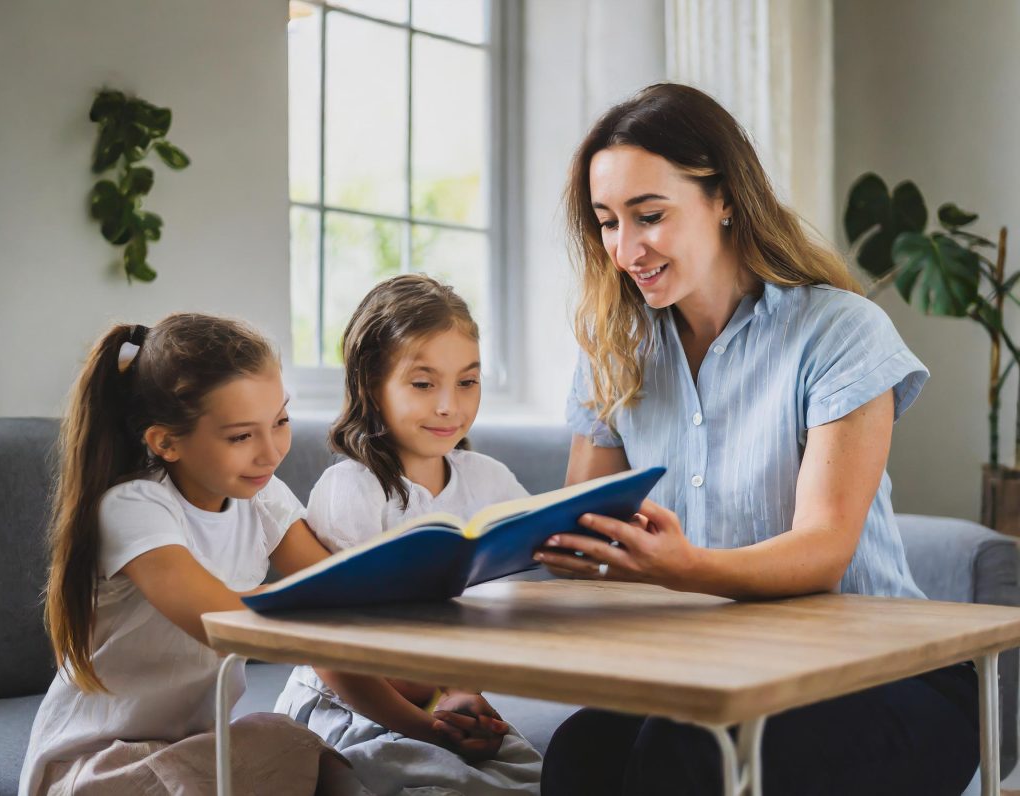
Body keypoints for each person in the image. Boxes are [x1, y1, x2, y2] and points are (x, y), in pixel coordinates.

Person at [535, 83, 979, 796]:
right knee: (580, 755)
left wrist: (681, 565)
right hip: (723, 672)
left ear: (725, 199)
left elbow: (825, 551)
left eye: (649, 216)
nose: (625, 249)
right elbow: (583, 525)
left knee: (684, 756)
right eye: (607, 222)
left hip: (891, 677)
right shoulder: (614, 350)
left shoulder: (839, 332)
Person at [20, 313, 366, 796]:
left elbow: (339, 590)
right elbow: (218, 619)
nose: (271, 453)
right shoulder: (133, 507)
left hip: (190, 746)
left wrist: (426, 710)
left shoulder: (263, 497)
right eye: (242, 436)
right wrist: (336, 595)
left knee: (300, 746)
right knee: (281, 748)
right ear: (166, 442)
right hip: (94, 763)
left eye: (281, 421)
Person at [275, 274, 542, 796]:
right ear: (372, 386)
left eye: (467, 382)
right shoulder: (351, 489)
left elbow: (492, 608)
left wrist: (461, 692)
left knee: (532, 780)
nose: (450, 406)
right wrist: (429, 722)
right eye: (423, 384)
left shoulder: (491, 479)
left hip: (440, 697)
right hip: (351, 708)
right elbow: (336, 652)